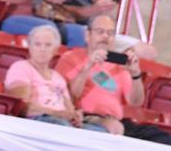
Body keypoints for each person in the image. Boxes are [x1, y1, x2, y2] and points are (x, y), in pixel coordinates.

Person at [54, 15, 171, 144]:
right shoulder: (70, 58)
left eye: (110, 33)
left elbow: (135, 102)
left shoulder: (119, 65)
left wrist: (135, 75)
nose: (105, 36)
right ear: (88, 35)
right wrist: (88, 66)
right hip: (86, 117)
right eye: (100, 32)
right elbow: (69, 96)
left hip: (119, 121)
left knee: (162, 139)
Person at [4, 24, 106, 131]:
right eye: (37, 44)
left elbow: (69, 108)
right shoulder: (21, 67)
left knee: (99, 132)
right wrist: (56, 113)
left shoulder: (58, 77)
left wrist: (75, 116)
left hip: (61, 121)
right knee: (60, 125)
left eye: (48, 45)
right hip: (37, 120)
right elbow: (21, 107)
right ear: (29, 46)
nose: (42, 49)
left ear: (56, 49)